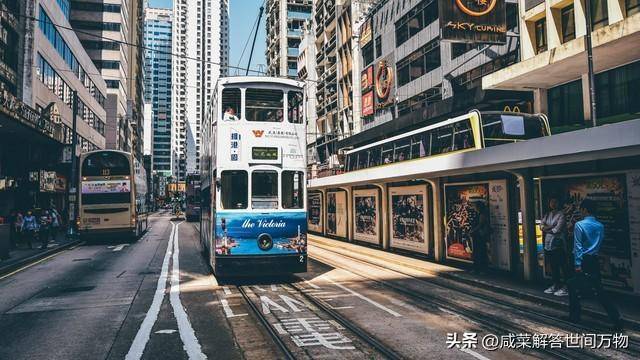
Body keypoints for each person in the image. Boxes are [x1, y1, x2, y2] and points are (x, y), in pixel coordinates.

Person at [567, 199, 622, 330]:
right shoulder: (600, 226)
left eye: (581, 209)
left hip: (583, 260)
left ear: (585, 210)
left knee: (571, 285)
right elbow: (599, 243)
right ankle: (616, 318)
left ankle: (575, 316)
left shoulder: (579, 225)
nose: (580, 211)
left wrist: (577, 264)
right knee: (599, 290)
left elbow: (578, 246)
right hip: (594, 260)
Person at [540, 197, 569, 296]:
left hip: (558, 243)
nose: (553, 204)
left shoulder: (561, 214)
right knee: (553, 265)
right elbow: (541, 226)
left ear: (559, 203)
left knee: (562, 265)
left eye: (555, 202)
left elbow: (558, 229)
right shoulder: (547, 214)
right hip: (548, 243)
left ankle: (566, 286)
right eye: (551, 202)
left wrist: (547, 228)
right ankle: (556, 284)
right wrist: (550, 227)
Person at [470, 202, 489, 272]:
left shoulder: (482, 214)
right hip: (477, 235)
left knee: (480, 252)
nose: (474, 207)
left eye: (475, 206)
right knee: (477, 252)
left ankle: (481, 269)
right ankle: (477, 268)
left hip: (479, 236)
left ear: (478, 207)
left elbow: (480, 225)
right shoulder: (478, 214)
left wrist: (472, 231)